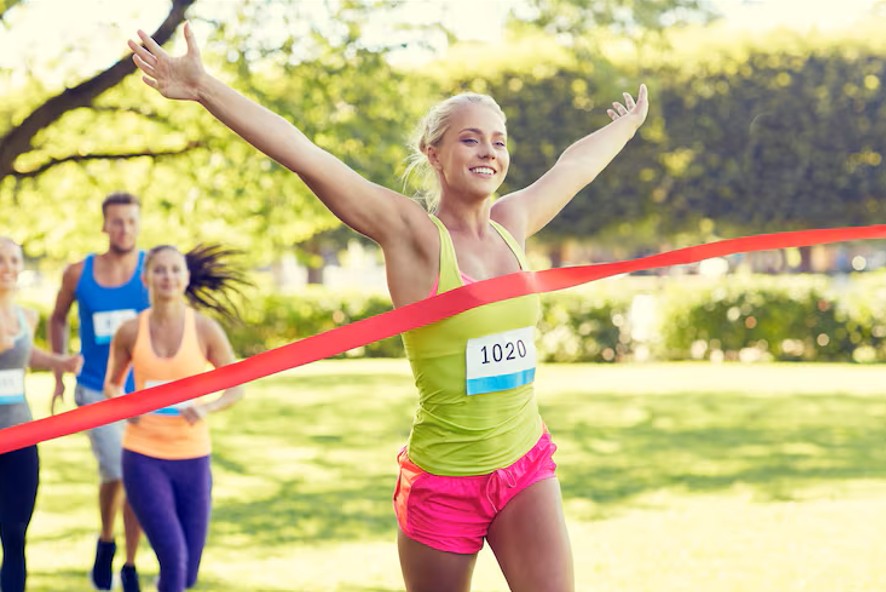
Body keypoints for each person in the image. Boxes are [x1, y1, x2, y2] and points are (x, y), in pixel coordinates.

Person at [129, 22, 648, 591]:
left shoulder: (512, 226)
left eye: (499, 140)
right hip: (444, 481)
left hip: (524, 462)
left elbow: (573, 168)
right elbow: (308, 156)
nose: (489, 151)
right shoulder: (413, 235)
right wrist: (205, 88)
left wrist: (625, 128)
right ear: (435, 153)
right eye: (470, 139)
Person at [104, 244, 246, 592]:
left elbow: (236, 386)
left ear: (185, 277)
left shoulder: (204, 329)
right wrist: (127, 406)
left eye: (175, 269)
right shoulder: (129, 331)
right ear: (146, 278)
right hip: (142, 456)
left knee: (188, 570)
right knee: (173, 556)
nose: (167, 276)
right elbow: (111, 384)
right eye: (160, 270)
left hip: (193, 459)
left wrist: (206, 407)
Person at [48, 191, 149, 591]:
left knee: (136, 475)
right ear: (104, 225)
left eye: (131, 221)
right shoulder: (78, 273)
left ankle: (126, 561)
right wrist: (59, 368)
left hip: (144, 391)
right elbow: (57, 318)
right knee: (119, 470)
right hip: (94, 388)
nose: (125, 228)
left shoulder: (151, 270)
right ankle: (108, 540)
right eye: (117, 221)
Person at [0, 237, 82, 592]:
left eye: (14, 261)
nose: (8, 267)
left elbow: (24, 354)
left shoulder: (26, 316)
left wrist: (58, 362)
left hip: (21, 434)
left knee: (16, 533)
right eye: (0, 260)